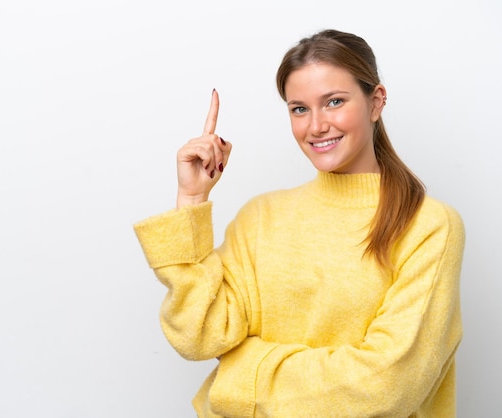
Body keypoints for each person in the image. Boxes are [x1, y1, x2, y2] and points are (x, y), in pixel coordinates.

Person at [133, 29, 465, 418]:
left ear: (376, 102)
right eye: (299, 109)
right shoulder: (261, 217)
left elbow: (385, 387)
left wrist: (242, 375)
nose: (317, 126)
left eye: (335, 102)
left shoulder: (428, 226)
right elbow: (197, 334)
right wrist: (191, 200)